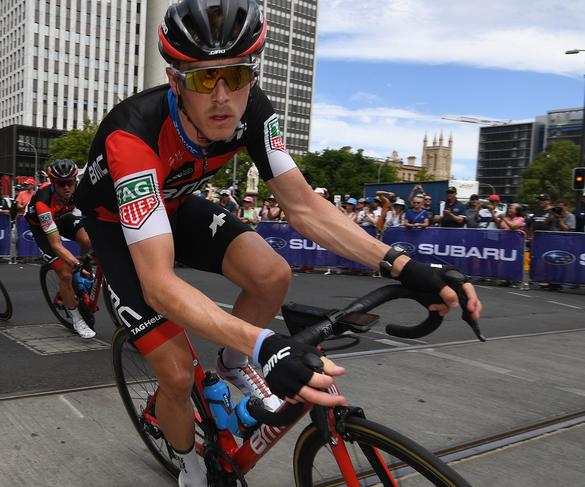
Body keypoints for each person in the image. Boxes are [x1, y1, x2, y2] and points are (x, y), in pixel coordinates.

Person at [74, 2, 482, 485]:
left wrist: (403, 266)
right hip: (116, 226)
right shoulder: (134, 133)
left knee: (273, 274)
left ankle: (232, 365)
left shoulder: (254, 111)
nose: (223, 96)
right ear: (176, 80)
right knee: (178, 374)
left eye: (237, 75)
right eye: (205, 79)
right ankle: (187, 462)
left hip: (177, 206)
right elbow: (159, 284)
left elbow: (305, 206)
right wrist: (267, 342)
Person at [25, 159, 95, 339]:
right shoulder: (43, 201)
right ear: (53, 183)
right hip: (41, 226)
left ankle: (81, 268)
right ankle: (76, 319)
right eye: (60, 184)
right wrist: (74, 264)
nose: (66, 188)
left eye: (69, 183)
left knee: (88, 240)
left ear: (75, 181)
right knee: (65, 272)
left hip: (62, 217)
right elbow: (56, 244)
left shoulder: (79, 191)